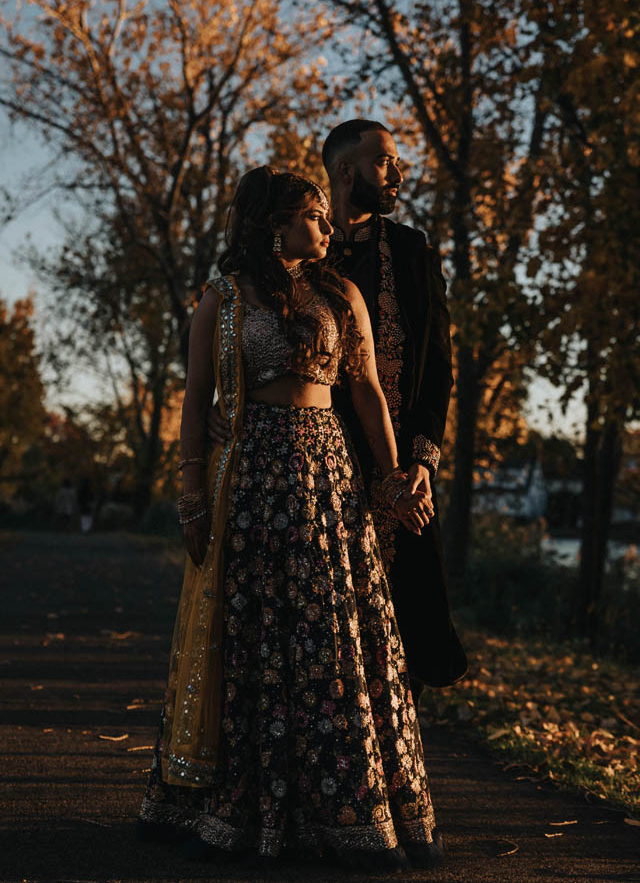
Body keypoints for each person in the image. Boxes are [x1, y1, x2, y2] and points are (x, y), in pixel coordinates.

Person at [138, 167, 445, 869]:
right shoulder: (220, 300)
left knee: (332, 632)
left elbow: (366, 389)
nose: (326, 226)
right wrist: (189, 496)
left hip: (327, 478)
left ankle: (346, 807)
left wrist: (393, 477)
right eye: (312, 214)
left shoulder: (341, 294)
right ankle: (249, 811)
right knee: (255, 636)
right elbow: (192, 405)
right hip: (249, 477)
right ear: (274, 222)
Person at [322, 120, 467, 700]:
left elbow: (439, 367)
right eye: (385, 162)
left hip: (401, 464)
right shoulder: (296, 249)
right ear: (345, 170)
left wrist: (423, 463)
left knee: (406, 628)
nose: (398, 175)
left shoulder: (410, 251)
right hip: (316, 463)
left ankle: (393, 766)